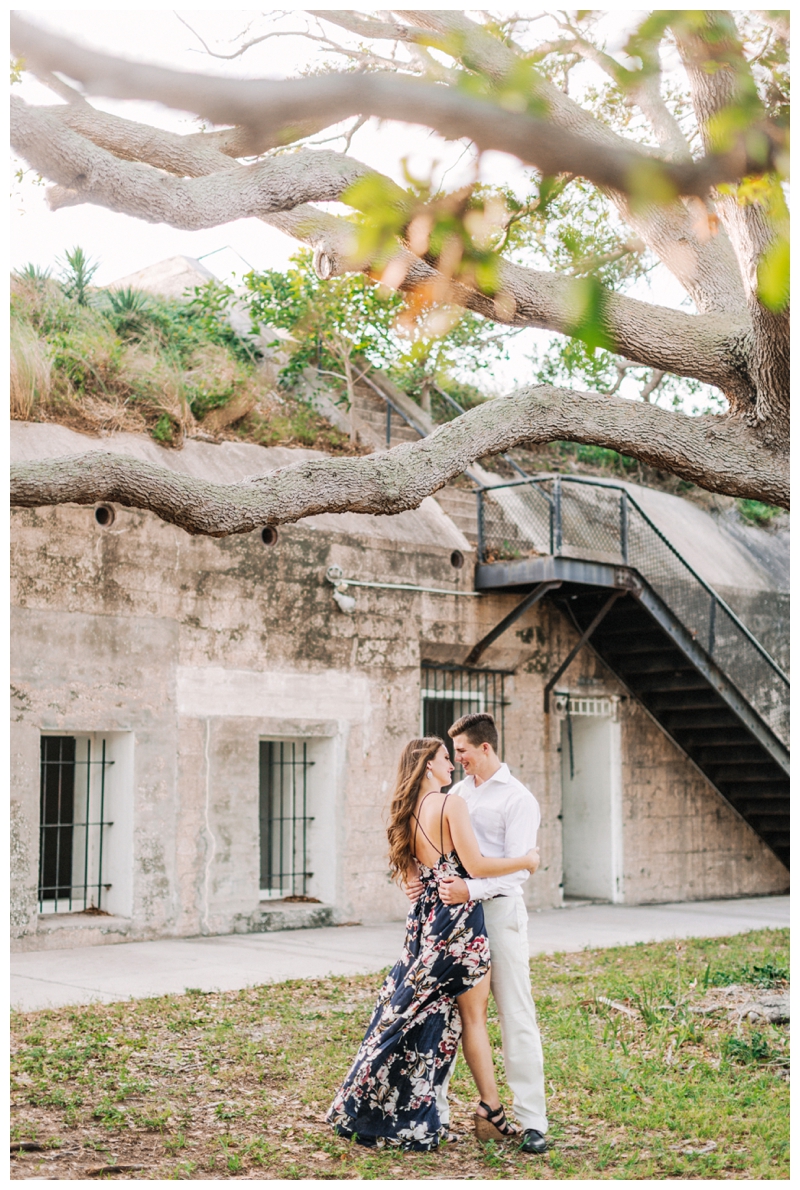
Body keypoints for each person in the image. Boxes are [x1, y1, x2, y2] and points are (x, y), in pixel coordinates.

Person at [326, 736, 539, 1151]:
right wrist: (526, 860)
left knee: (420, 1013)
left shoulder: (406, 813)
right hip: (459, 921)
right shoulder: (450, 804)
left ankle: (424, 1106)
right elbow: (475, 866)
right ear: (427, 766)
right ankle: (491, 1113)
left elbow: (411, 879)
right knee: (472, 1019)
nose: (453, 765)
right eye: (445, 758)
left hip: (425, 922)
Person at [405, 712, 549, 1156]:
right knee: (448, 1014)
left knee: (514, 1012)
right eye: (454, 755)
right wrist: (415, 877)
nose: (459, 760)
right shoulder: (455, 794)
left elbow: (516, 871)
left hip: (498, 913)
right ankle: (438, 1112)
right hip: (455, 918)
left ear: (485, 747)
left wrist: (472, 887)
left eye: (463, 751)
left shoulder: (519, 800)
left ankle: (532, 1120)